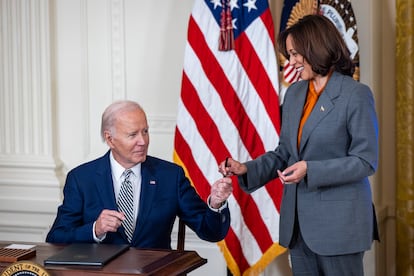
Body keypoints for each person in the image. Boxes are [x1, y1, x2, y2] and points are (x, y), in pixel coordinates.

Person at [219, 14, 379, 276]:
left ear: (315, 48)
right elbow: (285, 153)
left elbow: (365, 161)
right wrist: (245, 169)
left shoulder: (356, 95)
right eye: (289, 54)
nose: (290, 61)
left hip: (339, 227)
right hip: (298, 226)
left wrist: (310, 170)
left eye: (295, 54)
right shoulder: (294, 94)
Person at [46, 100, 232, 249]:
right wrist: (96, 229)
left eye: (145, 131)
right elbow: (56, 237)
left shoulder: (170, 176)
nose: (142, 141)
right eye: (132, 134)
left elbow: (211, 232)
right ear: (110, 139)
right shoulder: (81, 179)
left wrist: (216, 204)